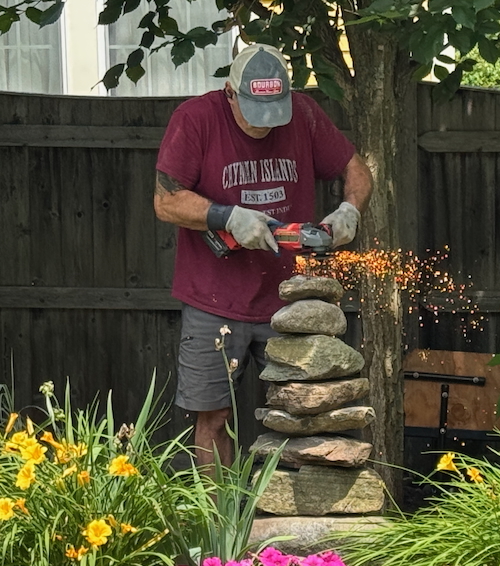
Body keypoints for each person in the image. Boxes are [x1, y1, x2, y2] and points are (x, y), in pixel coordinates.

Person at [153, 43, 373, 470]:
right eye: (254, 112)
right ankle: (220, 513)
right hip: (214, 300)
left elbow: (357, 169)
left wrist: (350, 210)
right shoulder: (195, 120)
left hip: (290, 302)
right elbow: (166, 202)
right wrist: (227, 217)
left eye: (274, 111)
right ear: (230, 93)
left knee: (309, 411)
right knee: (214, 417)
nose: (264, 124)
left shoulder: (304, 114)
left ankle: (296, 508)